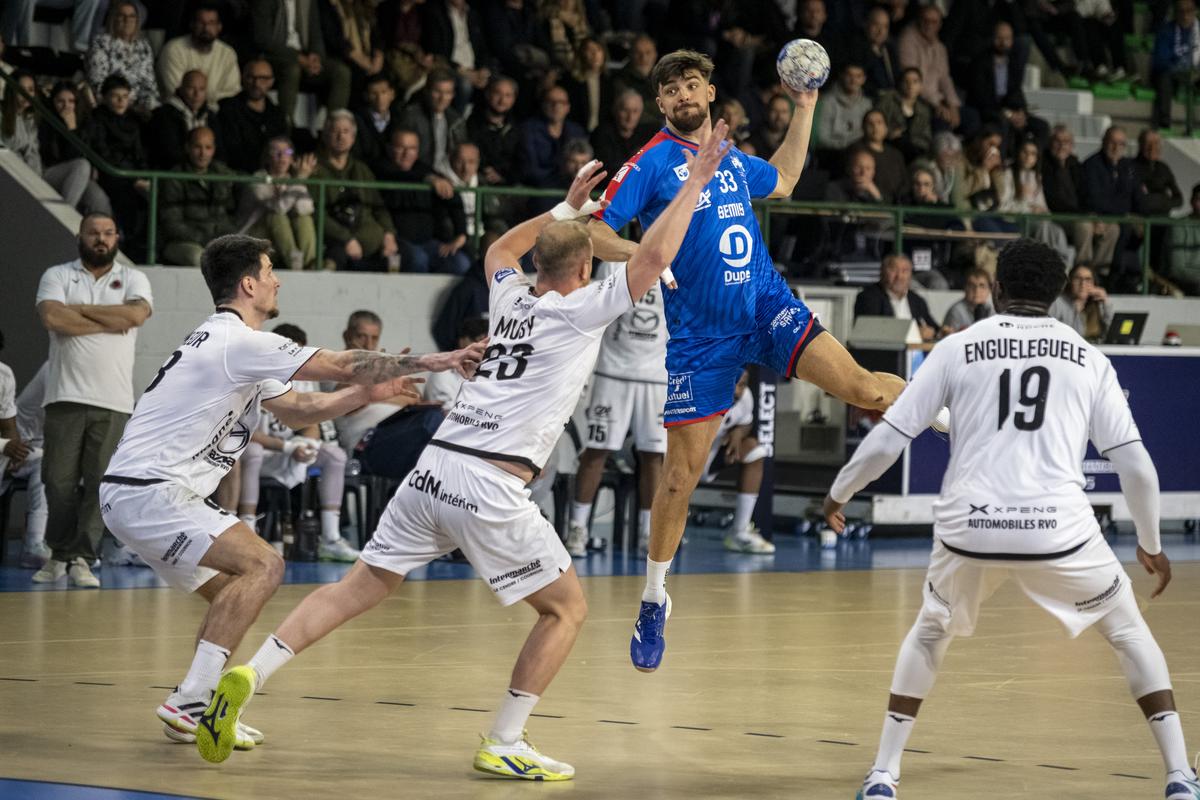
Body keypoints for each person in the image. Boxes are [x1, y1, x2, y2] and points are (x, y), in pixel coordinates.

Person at [217, 146, 725, 775]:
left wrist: (566, 207)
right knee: (566, 609)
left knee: (359, 586)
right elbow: (653, 257)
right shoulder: (582, 309)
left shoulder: (510, 300)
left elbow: (498, 252)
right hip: (490, 481)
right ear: (587, 266)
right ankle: (505, 740)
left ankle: (248, 673)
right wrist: (695, 182)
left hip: (431, 470)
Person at [825, 239, 1200, 800]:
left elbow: (888, 439)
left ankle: (883, 775)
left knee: (930, 632)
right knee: (1127, 631)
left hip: (970, 529)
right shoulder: (1089, 358)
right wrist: (1149, 543)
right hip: (1060, 533)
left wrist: (839, 492)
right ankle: (1179, 777)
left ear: (996, 289)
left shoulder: (955, 347)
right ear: (1055, 296)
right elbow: (1137, 469)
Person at [98, 233, 483, 759]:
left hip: (138, 493)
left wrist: (366, 395)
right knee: (264, 568)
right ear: (249, 284)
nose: (278, 279)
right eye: (270, 269)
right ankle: (191, 701)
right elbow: (345, 363)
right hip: (154, 491)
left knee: (234, 596)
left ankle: (200, 708)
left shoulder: (235, 349)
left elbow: (301, 410)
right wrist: (437, 361)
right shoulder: (237, 341)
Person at [586, 50, 906, 673]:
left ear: (709, 91)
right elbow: (596, 231)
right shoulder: (649, 163)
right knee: (681, 477)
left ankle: (939, 399)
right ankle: (654, 597)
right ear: (660, 104)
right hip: (700, 339)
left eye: (691, 85)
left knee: (865, 389)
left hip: (764, 305)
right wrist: (647, 254)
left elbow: (784, 179)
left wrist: (807, 107)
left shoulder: (729, 157)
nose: (683, 95)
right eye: (671, 89)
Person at [32, 214, 153, 588]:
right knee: (57, 481)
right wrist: (109, 321)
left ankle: (83, 557)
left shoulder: (133, 278)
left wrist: (78, 309)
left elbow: (135, 314)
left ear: (117, 237)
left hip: (114, 400)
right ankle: (58, 552)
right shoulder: (57, 274)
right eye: (93, 233)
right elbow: (53, 317)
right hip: (64, 394)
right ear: (80, 236)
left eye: (107, 233)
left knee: (101, 483)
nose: (100, 239)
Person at [567, 259, 667, 557]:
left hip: (657, 375)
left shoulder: (685, 264)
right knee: (596, 451)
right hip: (612, 371)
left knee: (654, 456)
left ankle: (650, 532)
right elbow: (598, 313)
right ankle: (578, 529)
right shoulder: (612, 265)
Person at [236, 322, 360, 562]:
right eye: (293, 352)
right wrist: (287, 446)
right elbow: (243, 432)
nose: (297, 359)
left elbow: (312, 423)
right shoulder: (256, 377)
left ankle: (331, 538)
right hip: (263, 453)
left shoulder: (304, 378)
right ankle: (247, 532)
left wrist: (309, 445)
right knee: (252, 452)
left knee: (336, 456)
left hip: (290, 451)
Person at [375, 127, 471, 274]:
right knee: (418, 260)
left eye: (412, 148)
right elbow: (399, 175)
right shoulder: (379, 169)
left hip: (430, 244)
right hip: (395, 242)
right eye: (401, 148)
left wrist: (461, 234)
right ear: (389, 148)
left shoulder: (424, 170)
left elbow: (453, 197)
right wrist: (428, 179)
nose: (407, 154)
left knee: (461, 263)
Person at [1, 70, 97, 214]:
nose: (25, 94)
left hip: (38, 173)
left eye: (31, 90)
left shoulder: (34, 116)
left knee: (85, 170)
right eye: (20, 89)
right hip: (12, 172)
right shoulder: (3, 113)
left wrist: (72, 129)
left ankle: (63, 216)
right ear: (11, 90)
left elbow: (36, 154)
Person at [313, 110, 399, 271]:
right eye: (335, 131)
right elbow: (315, 213)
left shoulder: (362, 170)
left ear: (353, 138)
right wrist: (346, 239)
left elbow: (378, 206)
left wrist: (389, 233)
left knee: (411, 258)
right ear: (325, 135)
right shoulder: (314, 169)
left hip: (374, 243)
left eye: (346, 131)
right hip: (336, 242)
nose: (341, 136)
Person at [250, 0, 352, 124]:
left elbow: (315, 33)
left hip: (305, 56)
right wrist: (298, 58)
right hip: (275, 56)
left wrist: (316, 57)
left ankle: (335, 127)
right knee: (292, 70)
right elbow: (263, 40)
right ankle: (284, 129)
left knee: (341, 72)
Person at [159, 127, 238, 267]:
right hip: (181, 242)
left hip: (217, 240)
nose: (203, 153)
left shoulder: (222, 173)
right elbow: (172, 224)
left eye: (208, 147)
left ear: (214, 149)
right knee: (198, 258)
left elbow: (229, 215)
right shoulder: (174, 177)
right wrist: (205, 239)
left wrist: (224, 239)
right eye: (197, 147)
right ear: (187, 148)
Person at [235, 136, 317, 270]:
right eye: (276, 152)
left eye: (287, 152)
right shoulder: (258, 179)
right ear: (267, 157)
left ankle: (309, 263)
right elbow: (278, 208)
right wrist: (299, 181)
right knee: (276, 217)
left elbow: (305, 208)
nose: (282, 156)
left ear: (292, 159)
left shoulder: (292, 179)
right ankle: (294, 262)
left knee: (304, 219)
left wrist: (297, 182)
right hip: (254, 237)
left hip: (279, 242)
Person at [1, 360, 50, 568]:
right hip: (3, 448)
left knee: (47, 462)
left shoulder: (3, 374)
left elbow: (9, 426)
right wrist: (5, 446)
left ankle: (34, 543)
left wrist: (14, 452)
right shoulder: (54, 369)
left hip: (13, 448)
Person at [214, 59, 290, 175]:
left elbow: (284, 147)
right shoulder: (228, 109)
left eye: (263, 79)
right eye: (251, 77)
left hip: (271, 176)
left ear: (271, 82)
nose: (256, 83)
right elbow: (229, 151)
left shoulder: (277, 114)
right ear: (243, 78)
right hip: (237, 175)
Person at [85, 0, 160, 115]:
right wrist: (125, 102)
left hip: (140, 106)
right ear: (113, 19)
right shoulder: (101, 42)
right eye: (121, 15)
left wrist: (148, 106)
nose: (127, 20)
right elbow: (98, 82)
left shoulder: (143, 46)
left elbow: (150, 84)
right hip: (113, 103)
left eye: (132, 16)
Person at [157, 4, 241, 105]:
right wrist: (213, 97)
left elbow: (232, 92)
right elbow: (177, 92)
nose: (206, 28)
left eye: (211, 23)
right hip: (178, 113)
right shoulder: (174, 49)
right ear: (192, 25)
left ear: (219, 27)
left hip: (220, 112)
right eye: (201, 23)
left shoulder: (227, 53)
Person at [897, 4, 962, 131]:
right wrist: (937, 105)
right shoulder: (907, 40)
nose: (929, 25)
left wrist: (953, 105)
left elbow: (945, 79)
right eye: (925, 20)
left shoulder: (940, 47)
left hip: (938, 99)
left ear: (940, 25)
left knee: (971, 118)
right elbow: (912, 82)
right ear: (919, 20)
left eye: (934, 22)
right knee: (942, 121)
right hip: (918, 99)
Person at [853, 253, 938, 341]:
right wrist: (915, 333)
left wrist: (941, 332)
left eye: (905, 271)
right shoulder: (868, 297)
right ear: (882, 272)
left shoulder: (917, 300)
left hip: (915, 352)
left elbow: (932, 327)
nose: (899, 276)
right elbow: (872, 331)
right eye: (893, 270)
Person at [398, 69, 465, 176]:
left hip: (448, 177)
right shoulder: (411, 116)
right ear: (427, 91)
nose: (442, 98)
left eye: (448, 93)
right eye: (437, 92)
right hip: (418, 176)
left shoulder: (456, 120)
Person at [147, 69, 216, 170]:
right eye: (191, 88)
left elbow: (221, 153)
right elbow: (168, 153)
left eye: (201, 89)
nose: (196, 94)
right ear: (181, 89)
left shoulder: (212, 117)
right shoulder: (163, 115)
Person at [519, 85, 586, 187]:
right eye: (551, 102)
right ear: (543, 105)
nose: (556, 106)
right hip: (538, 190)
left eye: (561, 102)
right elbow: (530, 170)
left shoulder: (577, 132)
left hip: (571, 190)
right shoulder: (528, 130)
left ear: (568, 107)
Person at [464, 75, 522, 186]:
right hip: (479, 181)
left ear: (514, 99)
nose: (502, 100)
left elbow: (522, 161)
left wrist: (504, 176)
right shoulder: (471, 123)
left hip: (509, 184)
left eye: (508, 95)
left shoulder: (517, 128)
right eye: (497, 93)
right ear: (488, 94)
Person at [423, 316, 489, 410]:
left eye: (487, 344)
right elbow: (446, 414)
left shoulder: (487, 369)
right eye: (478, 341)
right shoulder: (443, 372)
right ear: (462, 341)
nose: (483, 348)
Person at [1151, 0, 1198, 129]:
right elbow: (1160, 61)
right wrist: (1180, 70)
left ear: (1195, 12)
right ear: (1175, 13)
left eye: (1189, 11)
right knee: (1164, 78)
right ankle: (1164, 123)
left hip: (1195, 73)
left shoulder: (1198, 32)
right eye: (1181, 11)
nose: (1185, 15)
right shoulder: (1166, 31)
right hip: (1171, 73)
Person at [875, 67, 933, 162]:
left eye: (915, 82)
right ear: (900, 84)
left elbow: (925, 138)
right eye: (906, 81)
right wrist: (889, 133)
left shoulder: (924, 110)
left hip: (914, 151)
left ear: (921, 86)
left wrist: (914, 141)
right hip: (890, 145)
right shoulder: (888, 100)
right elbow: (876, 120)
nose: (910, 85)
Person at [1051, 263, 1113, 341]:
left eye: (1088, 279)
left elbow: (1111, 334)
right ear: (1070, 281)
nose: (1083, 284)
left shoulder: (1097, 304)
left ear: (1094, 283)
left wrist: (1106, 302)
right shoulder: (1058, 303)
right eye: (1078, 278)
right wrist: (1075, 310)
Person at [1167, 182, 1200, 295]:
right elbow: (1178, 268)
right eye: (1199, 199)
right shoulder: (1179, 226)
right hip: (1187, 283)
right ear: (1191, 201)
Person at [940, 267, 994, 335]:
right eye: (972, 286)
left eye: (982, 286)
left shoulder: (992, 310)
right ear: (965, 288)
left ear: (989, 290)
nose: (977, 290)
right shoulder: (956, 311)